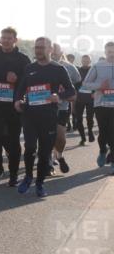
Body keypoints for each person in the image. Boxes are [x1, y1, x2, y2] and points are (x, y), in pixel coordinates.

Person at [14, 38, 76, 197]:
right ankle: (28, 177)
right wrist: (18, 101)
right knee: (29, 148)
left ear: (50, 50)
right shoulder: (29, 68)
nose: (38, 50)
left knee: (44, 152)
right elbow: (21, 90)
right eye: (36, 47)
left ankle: (40, 183)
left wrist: (59, 96)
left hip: (48, 116)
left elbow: (72, 92)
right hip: (30, 115)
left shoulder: (59, 69)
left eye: (42, 47)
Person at [0, 27, 32, 186]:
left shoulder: (23, 59)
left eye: (9, 38)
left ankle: (13, 174)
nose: (5, 40)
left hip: (15, 106)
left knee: (13, 141)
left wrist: (17, 80)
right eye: (3, 37)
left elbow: (29, 84)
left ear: (15, 40)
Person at [79, 41, 114, 171]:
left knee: (112, 131)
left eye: (113, 51)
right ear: (105, 52)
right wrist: (99, 86)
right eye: (109, 52)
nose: (112, 54)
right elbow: (86, 83)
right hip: (101, 104)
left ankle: (113, 162)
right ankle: (103, 151)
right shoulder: (98, 66)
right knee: (103, 132)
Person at [49, 42, 81, 174]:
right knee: (46, 136)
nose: (54, 53)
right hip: (44, 107)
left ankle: (59, 154)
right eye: (52, 50)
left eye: (57, 50)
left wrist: (72, 100)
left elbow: (77, 84)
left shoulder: (69, 67)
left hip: (62, 106)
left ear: (61, 51)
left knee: (60, 137)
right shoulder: (40, 66)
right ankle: (48, 162)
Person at [74, 54, 96, 145]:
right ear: (81, 61)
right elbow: (73, 83)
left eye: (87, 60)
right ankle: (83, 138)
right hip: (79, 98)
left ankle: (90, 131)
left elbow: (97, 82)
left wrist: (94, 91)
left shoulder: (94, 70)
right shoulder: (77, 70)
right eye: (84, 60)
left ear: (90, 61)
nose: (85, 62)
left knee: (89, 118)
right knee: (78, 119)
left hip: (91, 98)